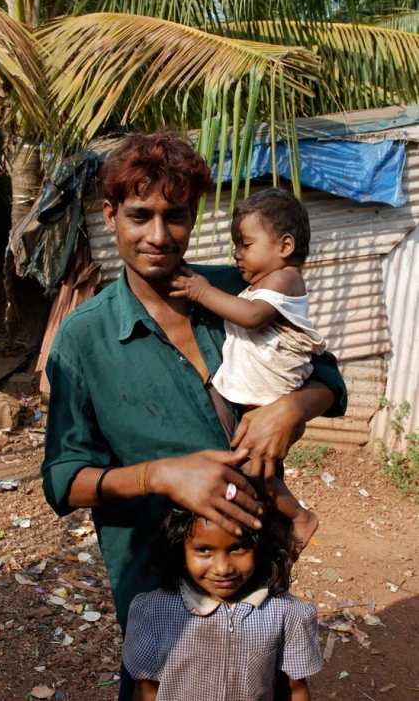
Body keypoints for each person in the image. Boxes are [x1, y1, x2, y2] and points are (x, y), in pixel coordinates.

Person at [41, 132, 346, 698]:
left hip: (250, 564)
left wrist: (294, 406)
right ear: (110, 216)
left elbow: (325, 370)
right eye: (139, 215)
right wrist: (159, 474)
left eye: (174, 216)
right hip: (157, 582)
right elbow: (63, 480)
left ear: (193, 215)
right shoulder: (84, 339)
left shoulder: (238, 291)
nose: (158, 236)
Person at [169, 188, 324, 551]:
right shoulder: (262, 281)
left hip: (271, 405)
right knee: (254, 474)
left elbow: (253, 317)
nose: (236, 254)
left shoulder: (286, 278)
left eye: (245, 244)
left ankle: (300, 517)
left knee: (256, 474)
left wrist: (201, 292)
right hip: (261, 404)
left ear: (284, 246)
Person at [123, 489, 322, 701]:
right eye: (203, 550)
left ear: (261, 547)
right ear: (179, 548)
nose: (222, 568)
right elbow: (146, 688)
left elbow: (294, 689)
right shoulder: (152, 612)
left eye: (238, 548)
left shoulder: (287, 614)